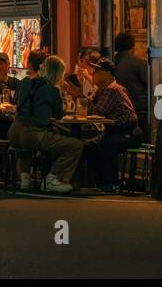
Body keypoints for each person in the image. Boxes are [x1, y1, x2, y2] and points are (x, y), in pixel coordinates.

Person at [8, 55, 85, 194]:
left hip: (15, 131)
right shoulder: (53, 90)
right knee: (75, 145)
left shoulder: (25, 82)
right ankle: (52, 179)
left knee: (26, 147)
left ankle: (25, 179)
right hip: (33, 133)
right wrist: (60, 92)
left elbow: (17, 103)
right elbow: (58, 115)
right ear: (58, 74)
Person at [88, 60, 143, 193]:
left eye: (97, 71)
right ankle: (99, 182)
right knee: (90, 145)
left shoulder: (112, 89)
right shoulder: (100, 90)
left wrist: (80, 95)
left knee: (107, 145)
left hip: (129, 132)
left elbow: (96, 112)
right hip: (114, 131)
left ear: (108, 74)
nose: (93, 73)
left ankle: (111, 183)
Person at [112, 31, 152, 139]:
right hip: (139, 109)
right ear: (132, 46)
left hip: (115, 111)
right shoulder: (138, 63)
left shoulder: (111, 62)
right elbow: (151, 85)